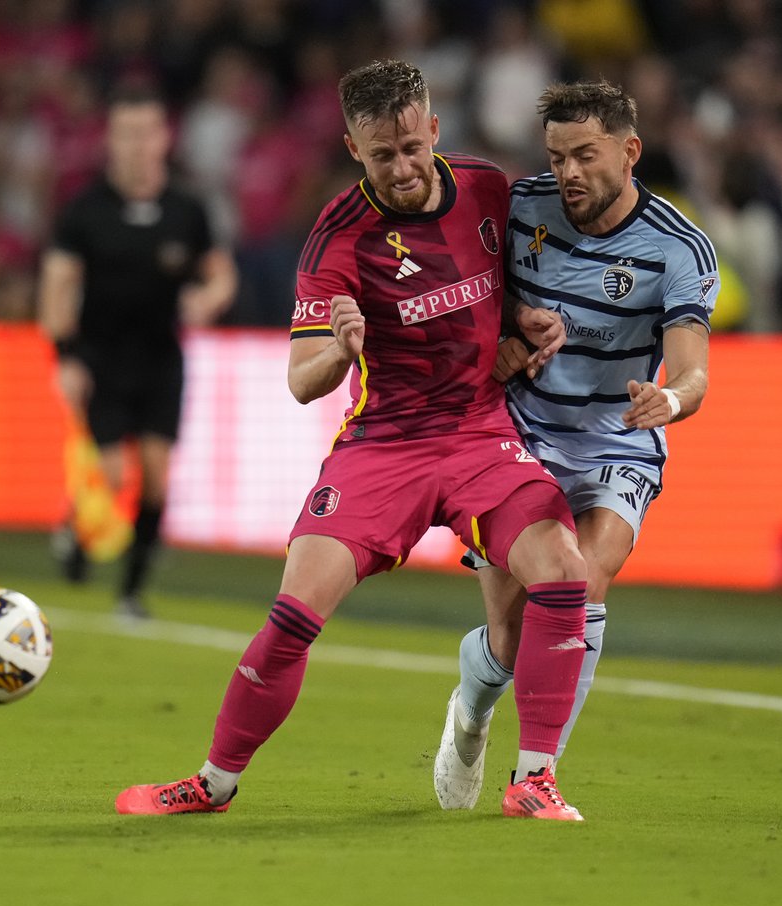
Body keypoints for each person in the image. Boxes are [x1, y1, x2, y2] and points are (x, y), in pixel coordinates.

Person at [116, 59, 589, 821]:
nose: (402, 168)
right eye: (382, 155)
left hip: (478, 432)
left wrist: (529, 320)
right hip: (385, 445)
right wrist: (339, 347)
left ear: (432, 129)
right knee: (295, 611)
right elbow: (303, 379)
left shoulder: (488, 188)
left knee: (563, 571)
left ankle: (533, 777)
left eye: (411, 147)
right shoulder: (339, 235)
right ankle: (214, 781)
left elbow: (520, 284)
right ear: (353, 149)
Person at [433, 80, 714, 812]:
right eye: (557, 156)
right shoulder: (520, 207)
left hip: (613, 440)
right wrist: (498, 342)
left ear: (630, 151)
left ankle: (535, 774)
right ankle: (472, 708)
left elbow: (692, 367)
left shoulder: (677, 246)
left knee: (583, 580)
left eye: (585, 155)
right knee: (507, 633)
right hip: (514, 434)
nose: (569, 173)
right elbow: (468, 308)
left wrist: (671, 398)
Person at [38, 86, 237, 617]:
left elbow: (221, 275)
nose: (136, 144)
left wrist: (206, 298)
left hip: (160, 356)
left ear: (164, 139)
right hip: (101, 354)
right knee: (112, 475)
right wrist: (65, 355)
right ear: (110, 140)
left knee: (155, 474)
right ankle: (78, 529)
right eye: (126, 133)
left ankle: (130, 591)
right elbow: (57, 284)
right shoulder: (85, 211)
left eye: (146, 132)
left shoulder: (187, 210)